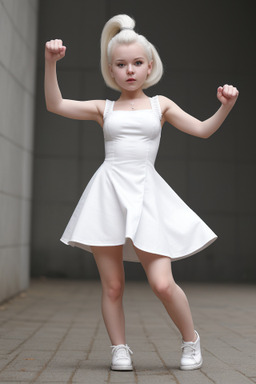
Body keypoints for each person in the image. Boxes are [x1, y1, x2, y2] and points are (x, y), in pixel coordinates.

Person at [44, 14, 239, 372]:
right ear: (111, 69)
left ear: (149, 67)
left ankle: (191, 339)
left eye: (136, 63)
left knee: (163, 283)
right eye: (121, 64)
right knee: (113, 286)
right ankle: (119, 348)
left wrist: (225, 106)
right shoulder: (104, 109)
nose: (129, 70)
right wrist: (50, 63)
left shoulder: (160, 105)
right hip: (108, 195)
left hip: (148, 195)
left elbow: (202, 130)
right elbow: (55, 104)